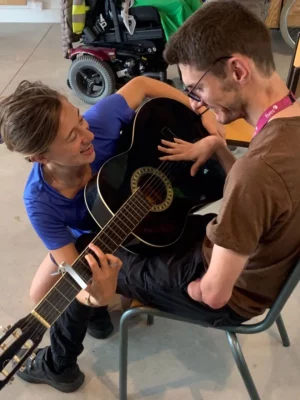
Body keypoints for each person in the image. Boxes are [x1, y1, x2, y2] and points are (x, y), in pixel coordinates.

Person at [0, 75, 227, 392]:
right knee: (45, 295)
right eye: (71, 137)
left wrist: (198, 111)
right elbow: (73, 273)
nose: (87, 134)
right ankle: (93, 321)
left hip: (143, 222)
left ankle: (62, 360)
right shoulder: (39, 201)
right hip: (91, 240)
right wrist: (94, 296)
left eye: (80, 120)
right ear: (41, 157)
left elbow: (142, 84)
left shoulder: (99, 123)